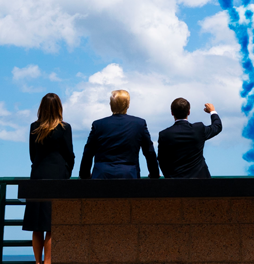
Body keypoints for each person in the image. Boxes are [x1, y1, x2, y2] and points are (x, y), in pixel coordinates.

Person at [21, 93, 74, 264]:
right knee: (52, 225)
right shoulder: (65, 128)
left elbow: (32, 154)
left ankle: (37, 262)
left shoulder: (34, 127)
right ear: (59, 108)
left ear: (41, 108)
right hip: (57, 177)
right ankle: (48, 262)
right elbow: (69, 155)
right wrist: (66, 172)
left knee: (37, 225)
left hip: (37, 176)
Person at [77, 89, 160, 179]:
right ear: (128, 104)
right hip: (129, 175)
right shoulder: (139, 124)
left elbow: (88, 153)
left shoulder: (98, 124)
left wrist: (84, 175)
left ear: (111, 104)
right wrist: (154, 174)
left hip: (101, 176)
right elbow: (149, 152)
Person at [157, 98, 222, 178]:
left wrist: (169, 177)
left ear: (172, 113)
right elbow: (217, 126)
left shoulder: (164, 134)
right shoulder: (198, 129)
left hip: (175, 184)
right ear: (189, 112)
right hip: (201, 183)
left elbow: (161, 160)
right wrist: (212, 111)